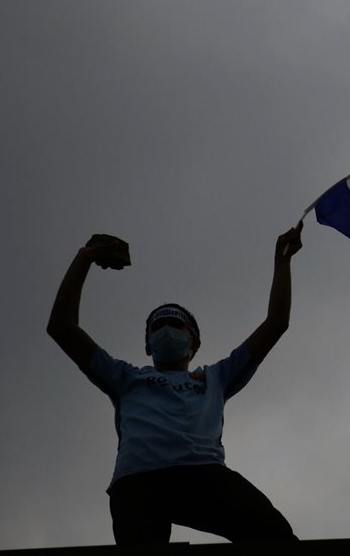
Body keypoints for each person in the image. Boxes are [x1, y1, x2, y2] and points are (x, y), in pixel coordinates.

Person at [46, 224, 304, 545]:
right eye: (158, 326)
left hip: (204, 475)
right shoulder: (125, 377)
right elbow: (62, 326)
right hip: (138, 482)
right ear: (148, 345)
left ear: (194, 343)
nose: (166, 330)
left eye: (175, 324)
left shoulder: (216, 377)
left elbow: (276, 323)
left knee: (274, 534)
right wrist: (84, 258)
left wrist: (283, 261)